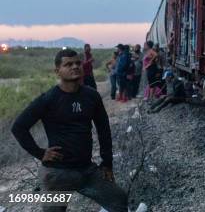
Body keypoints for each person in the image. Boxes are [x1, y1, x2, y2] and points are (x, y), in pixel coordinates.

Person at [11, 49, 128, 212]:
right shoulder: (49, 99)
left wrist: (107, 163)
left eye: (78, 63)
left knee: (118, 200)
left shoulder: (91, 96)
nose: (75, 66)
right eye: (68, 64)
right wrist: (40, 153)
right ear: (57, 71)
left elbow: (104, 129)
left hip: (87, 170)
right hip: (57, 174)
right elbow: (19, 127)